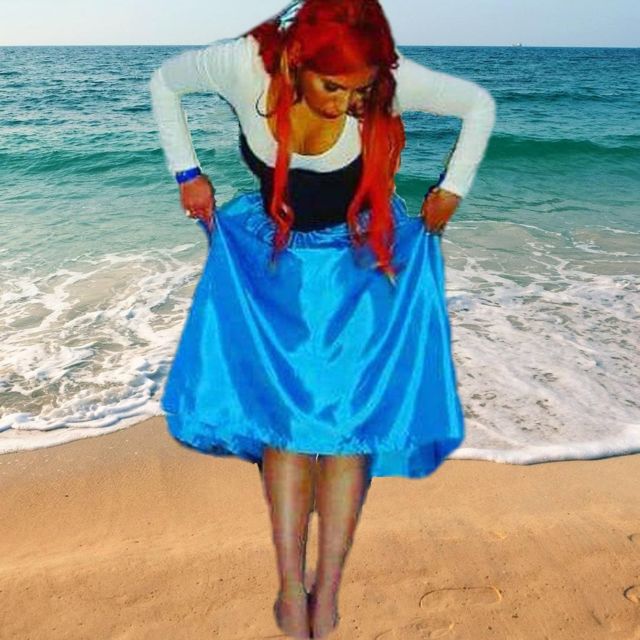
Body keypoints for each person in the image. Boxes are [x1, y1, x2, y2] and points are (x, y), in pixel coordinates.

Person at [149, 0, 496, 637]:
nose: (348, 104)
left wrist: (453, 187)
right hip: (275, 263)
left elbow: (478, 105)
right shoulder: (243, 65)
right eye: (333, 87)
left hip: (359, 266)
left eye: (361, 91)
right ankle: (290, 585)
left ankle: (328, 587)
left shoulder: (384, 78)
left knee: (346, 432)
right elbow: (165, 82)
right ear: (296, 63)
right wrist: (187, 173)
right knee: (284, 429)